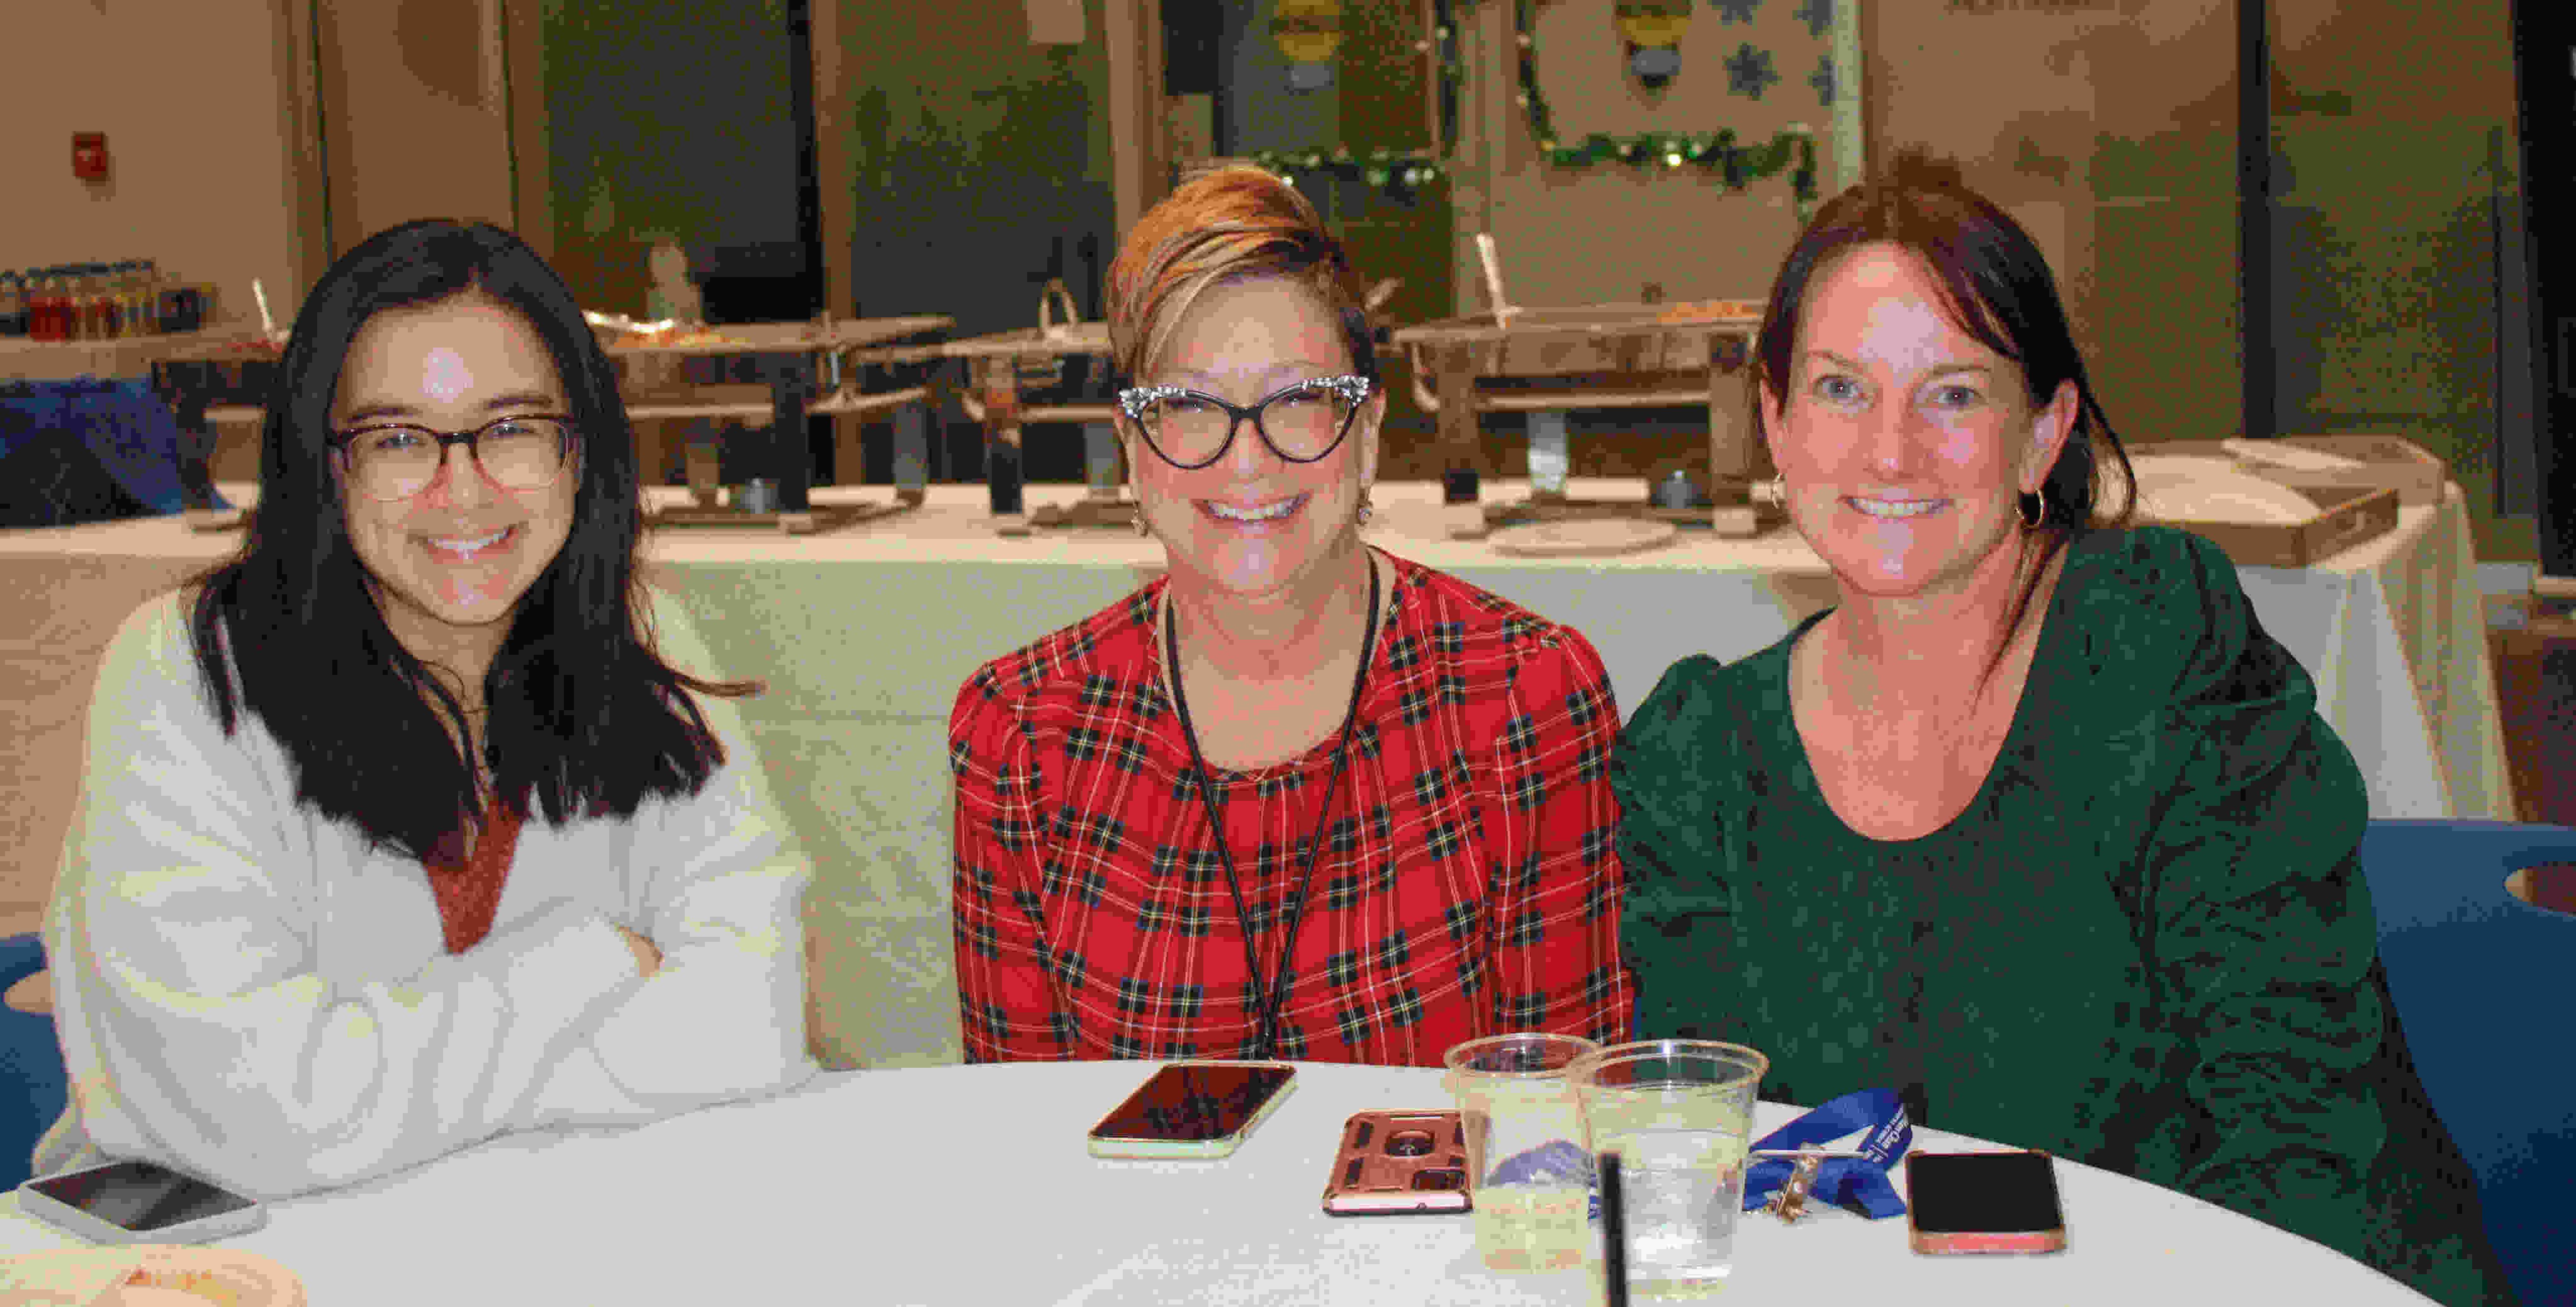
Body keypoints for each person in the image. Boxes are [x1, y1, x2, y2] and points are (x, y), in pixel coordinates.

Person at [1613, 150, 2511, 1305]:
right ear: (1776, 428)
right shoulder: (1703, 755)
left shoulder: (2148, 653)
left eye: (1954, 392)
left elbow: (2295, 1133)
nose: (1891, 451)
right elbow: (1737, 1164)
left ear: (2043, 436)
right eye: (1841, 389)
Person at [37, 220, 818, 1199]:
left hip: (567, 1230)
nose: (463, 492)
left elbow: (758, 1023)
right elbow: (260, 1121)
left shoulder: (642, 641)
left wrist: (362, 1081)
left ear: (583, 452)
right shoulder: (189, 668)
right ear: (326, 466)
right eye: (399, 439)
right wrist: (587, 965)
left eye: (513, 428)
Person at [949, 167, 1633, 1064]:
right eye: (1188, 406)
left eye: (1301, 401)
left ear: (1372, 429)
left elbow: (1567, 1118)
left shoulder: (1520, 694)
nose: (1247, 460)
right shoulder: (1023, 731)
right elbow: (1019, 1134)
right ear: (1129, 448)